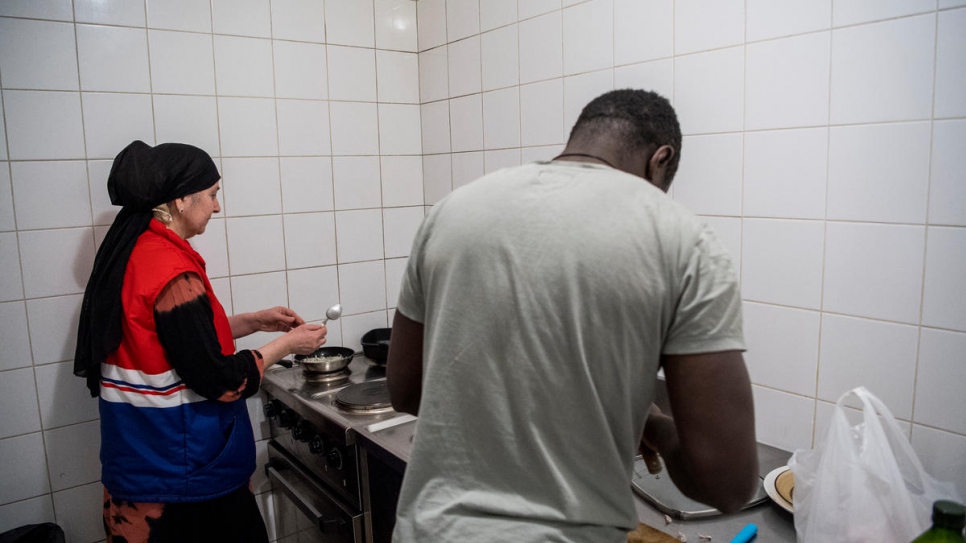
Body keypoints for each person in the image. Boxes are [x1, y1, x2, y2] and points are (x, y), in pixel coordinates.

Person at [386, 89, 758, 542]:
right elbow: (727, 481)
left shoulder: (452, 210)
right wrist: (656, 427)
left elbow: (405, 391)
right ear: (660, 160)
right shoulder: (684, 239)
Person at [73, 140, 328, 543]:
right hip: (183, 477)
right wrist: (288, 345)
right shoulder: (171, 269)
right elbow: (222, 380)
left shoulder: (139, 250)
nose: (217, 206)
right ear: (180, 200)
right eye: (212, 195)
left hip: (142, 461)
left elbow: (174, 338)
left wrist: (253, 321)